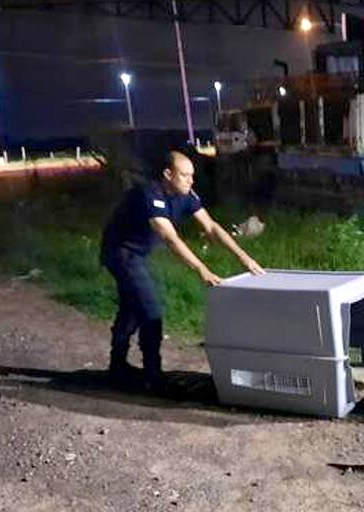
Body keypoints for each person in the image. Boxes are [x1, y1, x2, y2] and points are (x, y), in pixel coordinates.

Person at [100, 150, 265, 392]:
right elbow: (170, 238)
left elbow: (211, 226)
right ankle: (152, 377)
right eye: (185, 175)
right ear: (168, 174)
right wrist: (202, 270)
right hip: (120, 253)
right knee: (150, 312)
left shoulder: (186, 194)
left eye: (192, 176)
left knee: (132, 308)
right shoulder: (150, 194)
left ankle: (117, 368)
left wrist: (245, 258)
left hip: (138, 254)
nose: (191, 180)